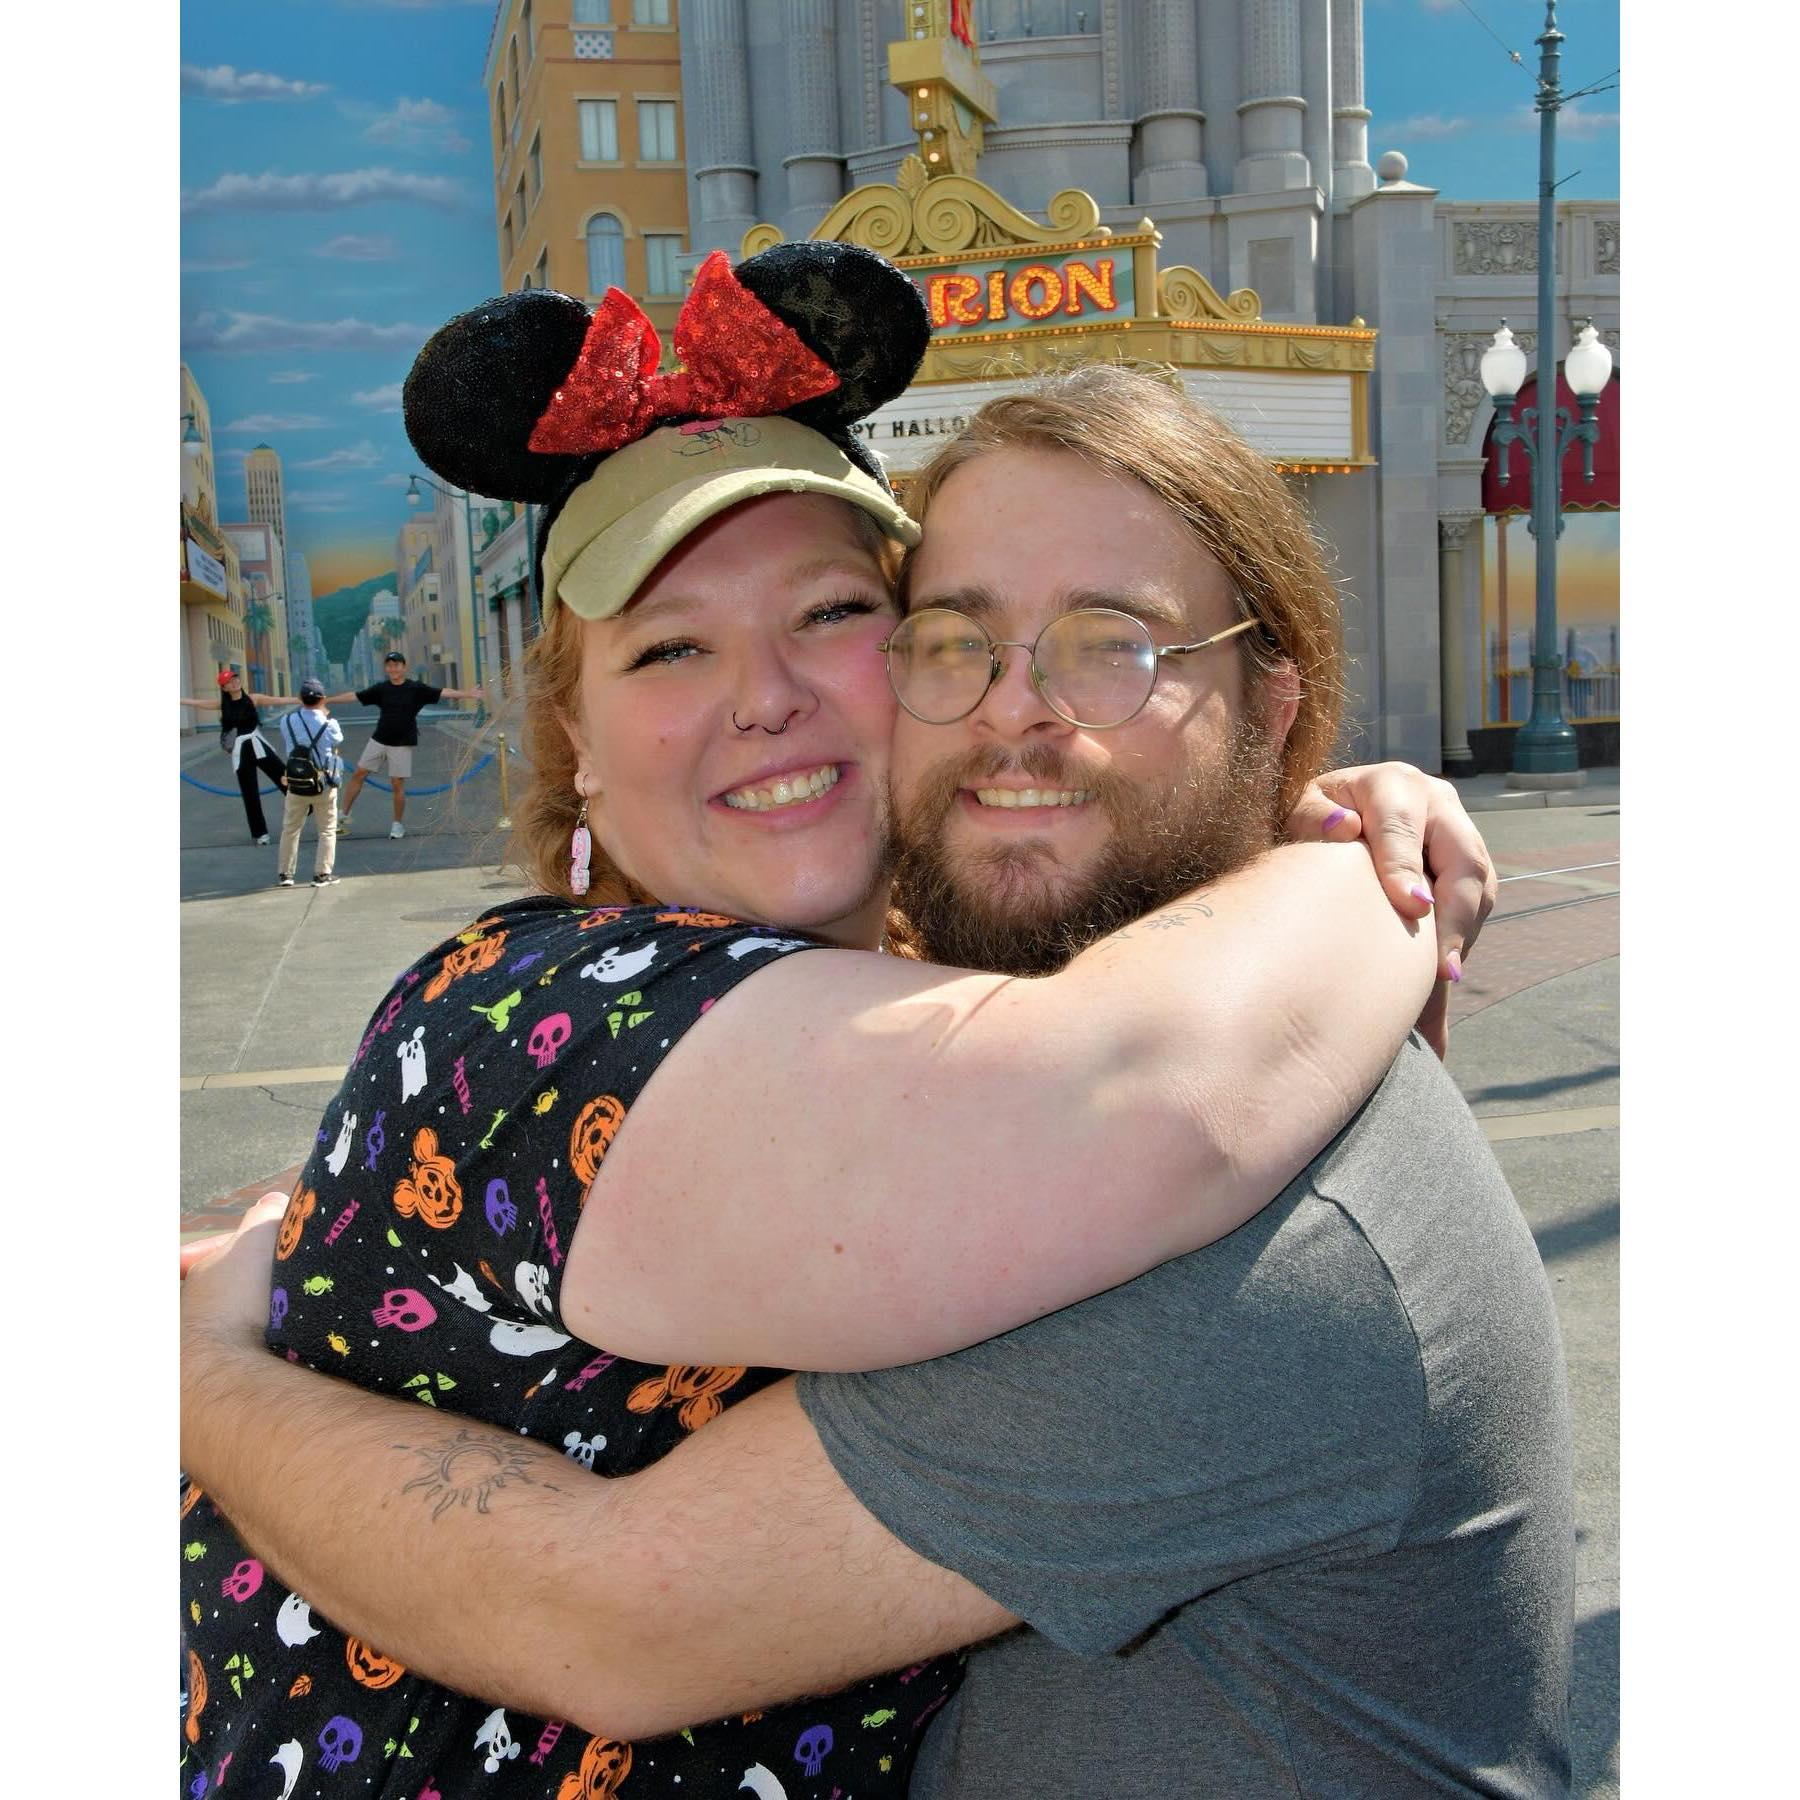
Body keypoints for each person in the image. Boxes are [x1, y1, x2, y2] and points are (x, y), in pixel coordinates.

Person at [181, 253, 1535, 1797]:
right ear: (578, 739)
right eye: (670, 646)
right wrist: (1351, 886)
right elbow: (1137, 1093)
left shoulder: (1084, 1099)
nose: (764, 696)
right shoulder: (543, 1013)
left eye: (836, 613)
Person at [328, 650, 482, 839]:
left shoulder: (416, 689)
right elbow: (355, 696)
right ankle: (343, 815)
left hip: (402, 743)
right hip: (379, 739)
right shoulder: (381, 689)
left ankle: (397, 824)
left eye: (397, 665)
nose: (393, 668)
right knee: (359, 773)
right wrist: (328, 700)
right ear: (386, 669)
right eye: (390, 665)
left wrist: (468, 694)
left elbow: (444, 692)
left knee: (397, 784)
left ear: (404, 667)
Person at [179, 667, 289, 843]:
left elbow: (281, 699)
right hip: (240, 750)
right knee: (250, 793)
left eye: (235, 678)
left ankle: (308, 808)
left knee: (285, 777)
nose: (234, 682)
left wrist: (307, 699)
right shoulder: (223, 704)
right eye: (229, 681)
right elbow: (197, 703)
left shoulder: (253, 698)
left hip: (257, 744)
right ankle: (260, 834)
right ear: (224, 688)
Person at [273, 679, 344, 888]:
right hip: (323, 783)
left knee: (290, 829)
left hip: (296, 783)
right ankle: (322, 874)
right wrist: (325, 715)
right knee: (327, 830)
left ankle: (286, 874)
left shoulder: (286, 721)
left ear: (300, 699)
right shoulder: (329, 724)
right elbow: (338, 740)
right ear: (322, 699)